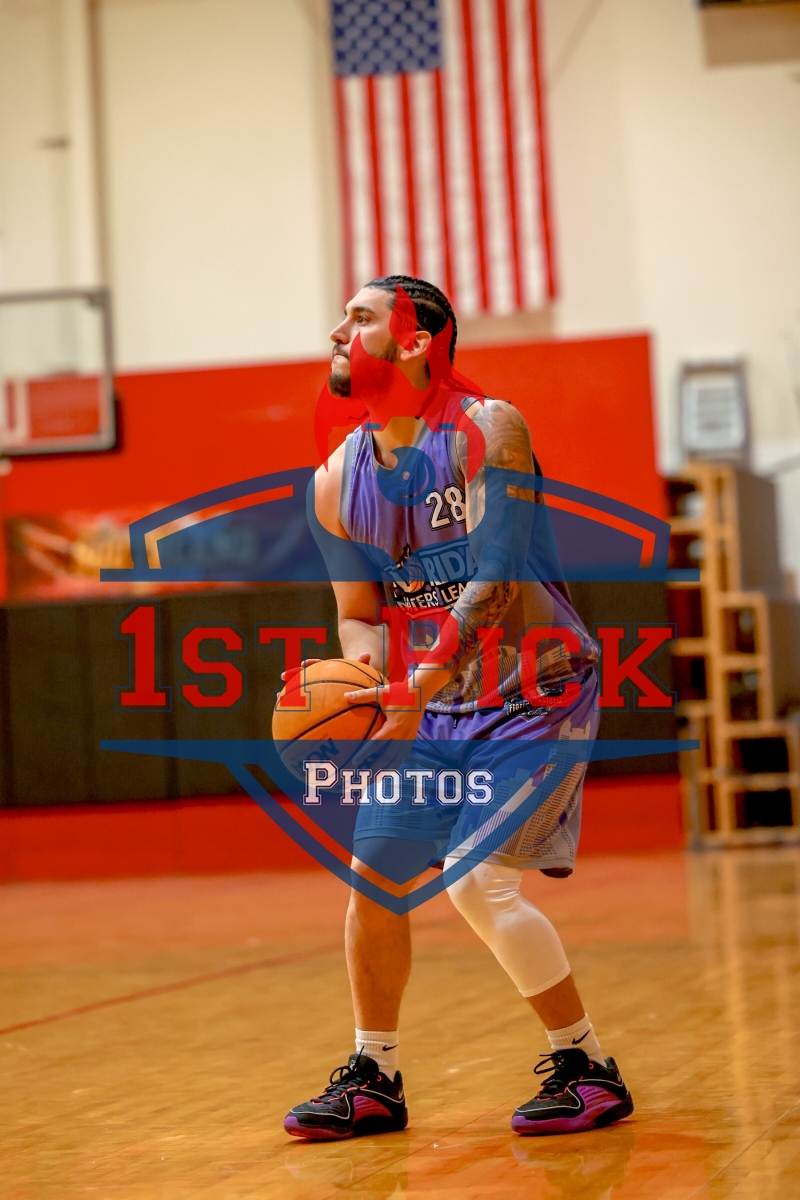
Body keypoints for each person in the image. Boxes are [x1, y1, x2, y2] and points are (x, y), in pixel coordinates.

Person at [282, 276, 633, 1141]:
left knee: (480, 879)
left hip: (538, 692)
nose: (337, 331)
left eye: (360, 317)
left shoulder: (485, 428)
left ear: (414, 342)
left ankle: (586, 1066)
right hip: (438, 706)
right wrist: (365, 677)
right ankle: (375, 1076)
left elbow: (498, 579)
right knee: (375, 876)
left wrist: (421, 684)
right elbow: (359, 614)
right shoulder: (334, 482)